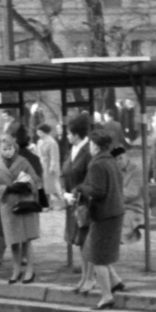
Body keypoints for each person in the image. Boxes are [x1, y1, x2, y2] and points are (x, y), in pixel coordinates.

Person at [76, 126, 126, 309]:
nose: (89, 146)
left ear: (96, 146)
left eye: (91, 144)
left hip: (104, 214)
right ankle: (115, 282)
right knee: (91, 248)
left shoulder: (96, 164)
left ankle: (106, 296)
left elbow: (97, 190)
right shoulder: (111, 161)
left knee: (98, 258)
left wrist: (81, 189)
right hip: (116, 211)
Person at [0, 134, 42, 284]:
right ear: (0, 150)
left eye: (10, 148)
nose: (7, 151)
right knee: (13, 241)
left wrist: (26, 184)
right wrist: (6, 188)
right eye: (4, 149)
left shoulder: (23, 162)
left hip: (24, 203)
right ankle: (16, 269)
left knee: (26, 240)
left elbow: (36, 179)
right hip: (8, 205)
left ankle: (30, 270)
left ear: (15, 148)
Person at [61, 114, 96, 295]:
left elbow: (90, 179)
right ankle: (84, 276)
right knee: (79, 241)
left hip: (85, 204)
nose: (67, 136)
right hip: (72, 203)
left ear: (76, 134)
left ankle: (90, 277)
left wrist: (75, 194)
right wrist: (65, 193)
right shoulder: (72, 150)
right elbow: (64, 172)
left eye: (69, 133)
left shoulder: (88, 151)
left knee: (86, 242)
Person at [35, 124, 63, 210]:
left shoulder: (52, 142)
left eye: (40, 133)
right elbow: (38, 154)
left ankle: (62, 202)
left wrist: (52, 167)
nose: (39, 134)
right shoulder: (39, 142)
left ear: (45, 133)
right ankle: (48, 204)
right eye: (38, 132)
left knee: (53, 186)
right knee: (44, 187)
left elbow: (54, 156)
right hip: (42, 166)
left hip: (50, 166)